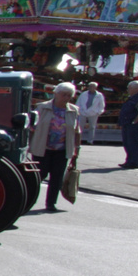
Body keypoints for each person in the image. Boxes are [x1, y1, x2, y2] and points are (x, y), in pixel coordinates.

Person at [27, 81, 80, 212]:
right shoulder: (41, 108)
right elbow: (31, 128)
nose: (66, 98)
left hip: (62, 150)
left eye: (69, 95)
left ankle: (51, 204)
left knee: (57, 178)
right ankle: (28, 202)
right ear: (56, 94)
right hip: (42, 149)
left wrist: (77, 150)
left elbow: (77, 131)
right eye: (64, 94)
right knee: (38, 176)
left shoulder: (73, 110)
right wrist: (27, 145)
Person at [120, 78, 138, 169]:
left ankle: (134, 162)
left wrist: (134, 122)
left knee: (134, 143)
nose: (128, 90)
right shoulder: (133, 97)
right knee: (128, 143)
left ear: (136, 88)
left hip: (134, 125)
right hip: (127, 124)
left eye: (129, 88)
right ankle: (129, 161)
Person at [77, 81, 105, 145]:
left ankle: (90, 141)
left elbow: (101, 105)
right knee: (80, 127)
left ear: (95, 87)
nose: (91, 88)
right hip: (83, 112)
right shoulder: (83, 94)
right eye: (90, 86)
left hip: (93, 113)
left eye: (93, 86)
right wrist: (78, 110)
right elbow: (78, 102)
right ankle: (78, 140)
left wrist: (98, 112)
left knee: (92, 127)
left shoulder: (99, 95)